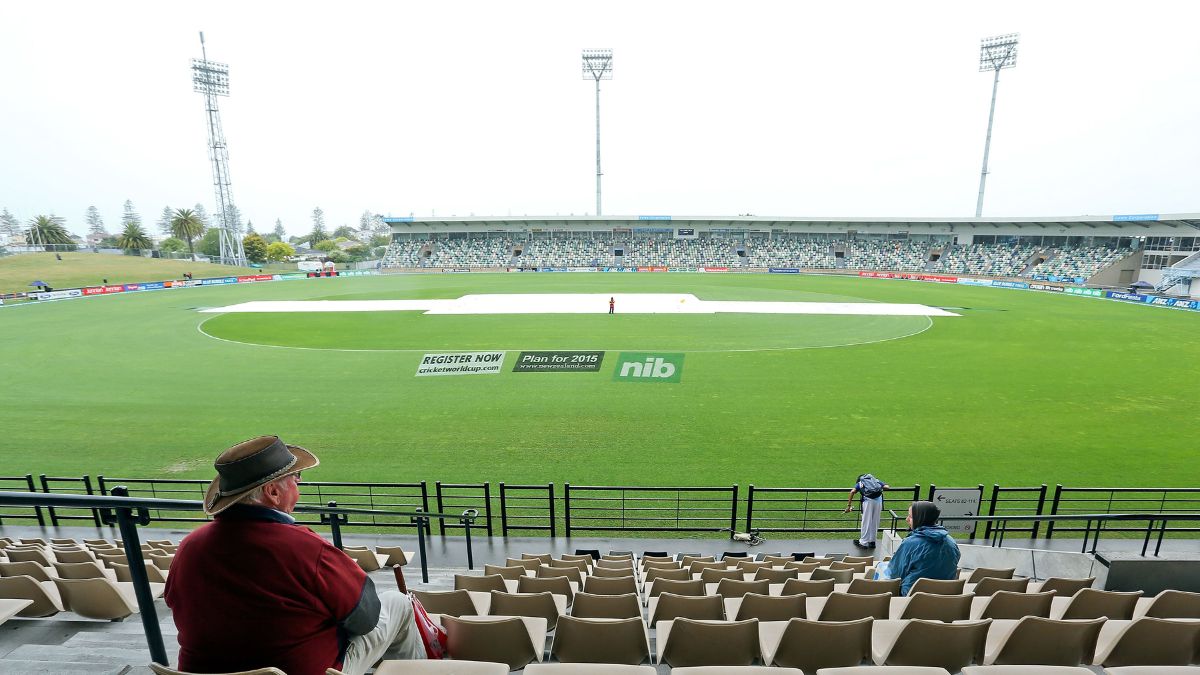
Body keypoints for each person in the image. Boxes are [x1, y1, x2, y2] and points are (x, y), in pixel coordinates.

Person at [165, 436, 425, 675]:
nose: (299, 485)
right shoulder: (303, 548)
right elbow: (366, 618)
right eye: (296, 477)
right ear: (273, 492)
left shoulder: (188, 547)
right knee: (398, 603)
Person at [885, 501, 961, 595]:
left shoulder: (910, 543)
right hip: (945, 598)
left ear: (920, 518)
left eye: (911, 517)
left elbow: (894, 574)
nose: (906, 519)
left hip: (911, 600)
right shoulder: (951, 541)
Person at [844, 473, 889, 549]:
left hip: (868, 502)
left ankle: (863, 543)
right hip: (878, 502)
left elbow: (852, 492)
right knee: (875, 521)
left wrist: (849, 506)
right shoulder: (876, 480)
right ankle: (872, 542)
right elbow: (887, 487)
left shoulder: (860, 482)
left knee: (866, 521)